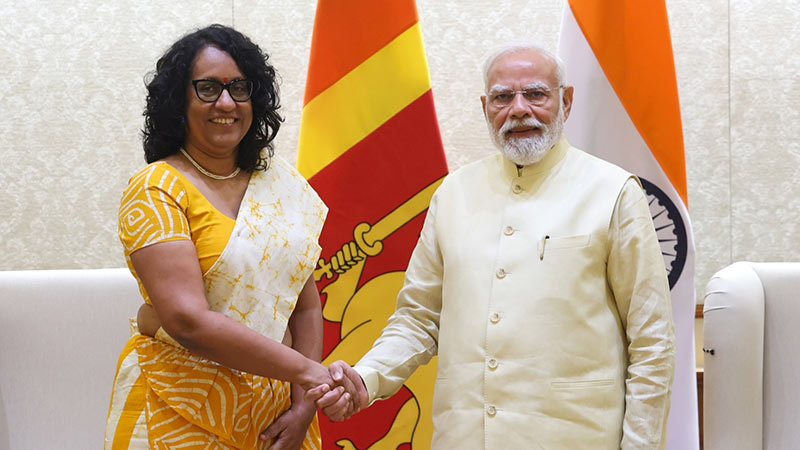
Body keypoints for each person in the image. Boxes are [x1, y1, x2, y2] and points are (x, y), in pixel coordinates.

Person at [313, 44, 676, 449]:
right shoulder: (454, 194)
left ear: (566, 101)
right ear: (486, 107)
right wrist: (367, 378)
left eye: (536, 94)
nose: (519, 109)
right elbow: (417, 318)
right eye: (503, 97)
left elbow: (652, 342)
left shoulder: (613, 191)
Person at [105, 24, 348, 450]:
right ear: (179, 99)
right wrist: (310, 374)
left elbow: (305, 307)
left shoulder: (277, 185)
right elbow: (187, 321)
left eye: (239, 87)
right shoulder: (156, 188)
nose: (226, 102)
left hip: (281, 417)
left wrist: (303, 405)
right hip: (179, 408)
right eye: (207, 88)